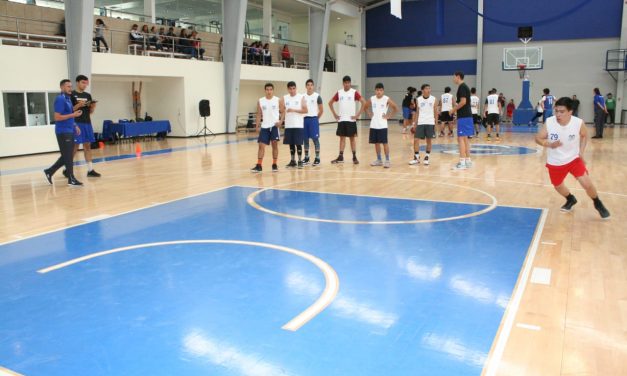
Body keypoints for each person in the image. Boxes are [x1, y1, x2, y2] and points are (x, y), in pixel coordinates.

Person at [535, 97, 610, 218]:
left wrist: (581, 152)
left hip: (573, 159)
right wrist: (548, 144)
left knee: (587, 184)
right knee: (558, 186)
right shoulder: (549, 122)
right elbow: (538, 138)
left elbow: (584, 136)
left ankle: (597, 203)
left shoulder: (578, 122)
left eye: (562, 111)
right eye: (556, 111)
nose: (558, 114)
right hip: (555, 162)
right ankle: (570, 199)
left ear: (570, 112)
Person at [43, 79, 84, 186]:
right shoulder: (60, 99)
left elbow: (69, 113)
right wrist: (73, 115)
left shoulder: (68, 99)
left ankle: (49, 171)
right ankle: (71, 179)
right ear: (62, 87)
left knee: (67, 155)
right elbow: (57, 117)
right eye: (68, 86)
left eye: (71, 86)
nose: (70, 88)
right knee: (68, 155)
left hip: (69, 129)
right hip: (63, 131)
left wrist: (75, 125)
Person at [66, 75, 101, 178]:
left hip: (87, 123)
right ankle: (67, 169)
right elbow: (69, 110)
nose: (85, 85)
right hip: (76, 123)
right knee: (74, 147)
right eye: (83, 82)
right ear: (77, 82)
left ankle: (90, 170)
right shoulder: (71, 94)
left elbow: (90, 112)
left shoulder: (88, 95)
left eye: (86, 83)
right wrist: (78, 105)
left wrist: (93, 107)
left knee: (87, 146)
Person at [328, 75, 366, 164]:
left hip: (351, 120)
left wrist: (357, 115)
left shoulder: (354, 92)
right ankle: (340, 157)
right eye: (345, 83)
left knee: (352, 139)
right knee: (342, 139)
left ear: (350, 83)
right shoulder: (339, 92)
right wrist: (334, 114)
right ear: (343, 83)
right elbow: (330, 103)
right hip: (341, 120)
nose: (347, 84)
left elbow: (364, 102)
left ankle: (354, 157)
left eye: (348, 83)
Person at [364, 83, 398, 168]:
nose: (379, 92)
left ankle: (387, 160)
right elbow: (365, 107)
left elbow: (395, 108)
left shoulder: (386, 99)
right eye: (377, 90)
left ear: (383, 91)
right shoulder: (372, 99)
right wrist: (369, 114)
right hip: (374, 125)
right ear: (375, 90)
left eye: (380, 90)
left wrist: (389, 116)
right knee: (376, 143)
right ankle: (379, 160)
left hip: (382, 125)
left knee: (384, 143)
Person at [251, 83, 282, 173]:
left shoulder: (278, 100)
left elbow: (283, 111)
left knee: (274, 145)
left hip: (274, 126)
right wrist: (257, 126)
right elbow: (259, 114)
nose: (269, 91)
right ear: (265, 90)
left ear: (273, 90)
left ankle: (274, 164)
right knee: (261, 146)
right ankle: (259, 165)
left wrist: (280, 121)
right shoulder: (260, 101)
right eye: (267, 89)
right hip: (264, 127)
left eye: (270, 89)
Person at [409, 83, 438, 166]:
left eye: (429, 88)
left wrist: (436, 124)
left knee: (429, 140)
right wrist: (414, 123)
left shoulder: (434, 99)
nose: (428, 90)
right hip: (421, 122)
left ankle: (427, 157)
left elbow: (435, 112)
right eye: (426, 88)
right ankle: (416, 158)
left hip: (430, 122)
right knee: (416, 140)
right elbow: (417, 112)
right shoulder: (418, 99)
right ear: (422, 90)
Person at [450, 71, 473, 170]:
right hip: (467, 115)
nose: (453, 79)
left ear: (458, 77)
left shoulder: (462, 87)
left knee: (461, 139)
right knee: (465, 139)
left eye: (454, 77)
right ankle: (467, 161)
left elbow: (463, 102)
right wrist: (456, 104)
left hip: (464, 116)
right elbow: (463, 102)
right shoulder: (465, 87)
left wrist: (453, 110)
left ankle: (462, 162)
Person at [282, 81, 308, 168]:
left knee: (298, 143)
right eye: (290, 88)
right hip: (288, 125)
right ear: (288, 89)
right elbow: (282, 110)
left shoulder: (301, 97)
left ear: (296, 88)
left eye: (294, 88)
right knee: (291, 144)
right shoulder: (284, 98)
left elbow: (305, 110)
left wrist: (294, 110)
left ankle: (300, 161)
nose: (292, 90)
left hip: (298, 125)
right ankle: (293, 161)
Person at [303, 79, 323, 166]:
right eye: (308, 85)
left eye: (311, 85)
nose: (310, 86)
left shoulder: (317, 96)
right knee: (305, 139)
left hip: (313, 119)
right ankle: (307, 157)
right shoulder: (302, 97)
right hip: (304, 119)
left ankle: (317, 158)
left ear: (313, 86)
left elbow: (321, 110)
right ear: (306, 86)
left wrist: (316, 118)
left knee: (315, 139)